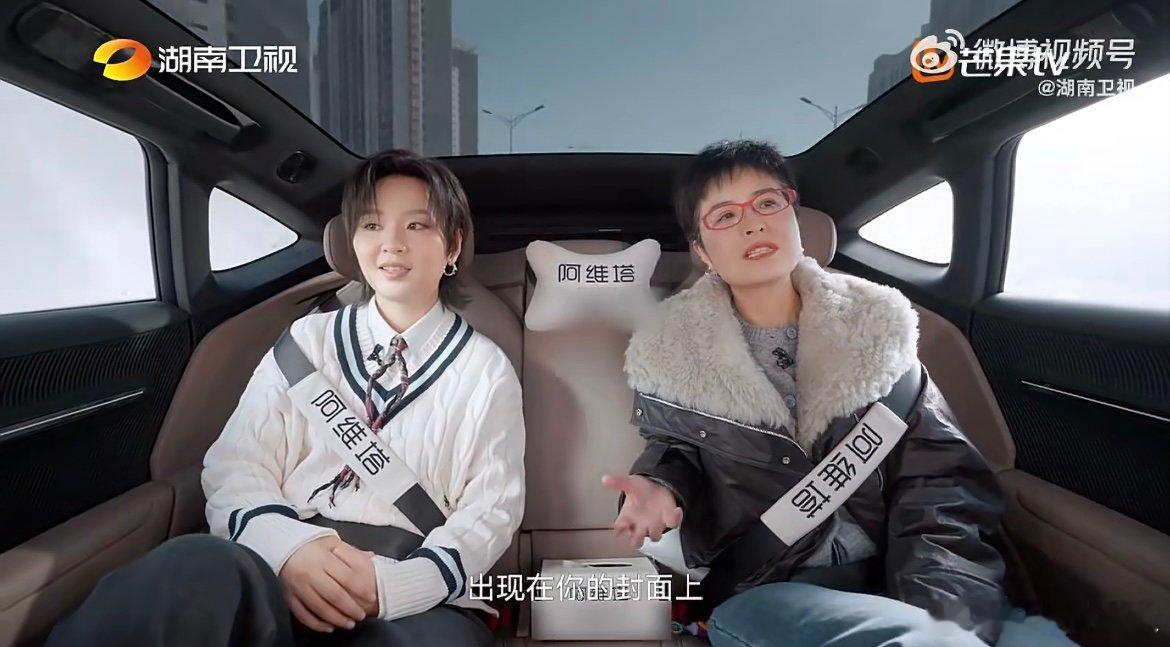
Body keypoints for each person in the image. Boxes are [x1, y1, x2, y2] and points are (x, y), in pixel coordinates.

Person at [49, 150, 525, 647]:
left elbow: (492, 507)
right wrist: (287, 549)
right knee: (187, 569)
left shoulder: (485, 368)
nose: (392, 243)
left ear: (453, 246)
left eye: (417, 226)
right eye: (372, 225)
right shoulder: (306, 342)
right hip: (282, 558)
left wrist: (395, 586)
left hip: (412, 588)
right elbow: (236, 465)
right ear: (353, 241)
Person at [603, 139, 1030, 646]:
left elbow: (940, 494)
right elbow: (677, 450)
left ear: (794, 217)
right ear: (702, 251)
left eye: (767, 203)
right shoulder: (672, 354)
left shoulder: (879, 334)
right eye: (725, 215)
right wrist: (659, 485)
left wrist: (943, 618)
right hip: (767, 587)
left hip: (896, 584)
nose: (752, 224)